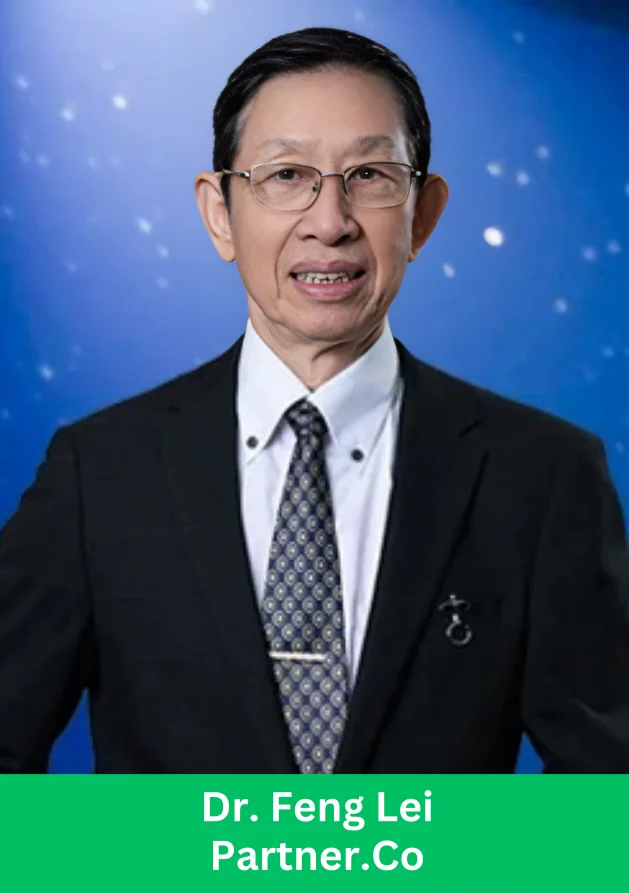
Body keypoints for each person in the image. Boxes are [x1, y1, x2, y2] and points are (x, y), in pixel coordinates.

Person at [1, 27, 628, 774]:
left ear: (422, 214)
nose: (328, 222)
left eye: (369, 175)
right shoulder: (98, 472)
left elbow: (605, 801)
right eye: (286, 175)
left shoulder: (541, 475)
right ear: (218, 213)